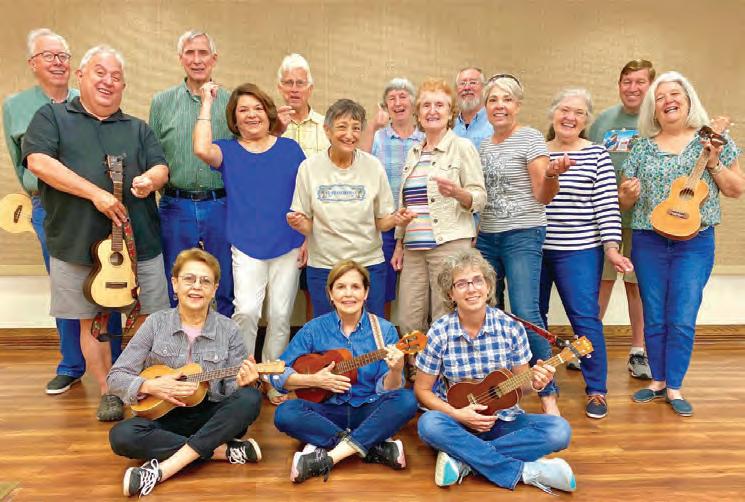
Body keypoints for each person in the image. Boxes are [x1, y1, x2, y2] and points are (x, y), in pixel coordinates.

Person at [23, 45, 171, 421]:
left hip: (140, 244)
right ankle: (110, 391)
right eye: (100, 73)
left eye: (116, 77)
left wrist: (149, 180)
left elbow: (161, 168)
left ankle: (147, 386)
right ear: (81, 76)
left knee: (148, 318)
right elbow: (38, 161)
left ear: (123, 86)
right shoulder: (52, 117)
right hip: (76, 244)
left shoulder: (137, 128)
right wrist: (95, 194)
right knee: (92, 321)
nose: (108, 82)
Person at [2, 28, 122, 395]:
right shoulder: (15, 106)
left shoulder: (87, 99)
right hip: (48, 207)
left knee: (111, 282)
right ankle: (71, 365)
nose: (58, 63)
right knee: (67, 287)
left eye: (63, 56)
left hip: (95, 205)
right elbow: (22, 161)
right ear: (32, 63)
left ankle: (118, 365)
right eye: (49, 56)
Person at [621, 71, 744, 417]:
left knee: (683, 314)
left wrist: (714, 161)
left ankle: (674, 385)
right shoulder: (641, 146)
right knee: (654, 313)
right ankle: (657, 380)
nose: (668, 101)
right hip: (648, 239)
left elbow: (736, 189)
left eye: (675, 94)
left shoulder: (714, 141)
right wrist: (627, 194)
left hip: (695, 242)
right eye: (659, 97)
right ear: (653, 109)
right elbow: (624, 201)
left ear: (689, 100)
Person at [415, 249, 575, 494]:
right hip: (457, 423)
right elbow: (422, 390)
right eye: (461, 284)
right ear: (451, 294)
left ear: (489, 287)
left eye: (477, 280)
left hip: (504, 421)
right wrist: (459, 415)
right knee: (428, 424)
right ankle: (526, 471)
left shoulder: (511, 327)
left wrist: (537, 383)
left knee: (559, 430)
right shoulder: (439, 332)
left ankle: (463, 460)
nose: (471, 289)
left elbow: (523, 387)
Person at [107, 248, 263, 497]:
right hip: (163, 418)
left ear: (214, 289)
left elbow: (233, 391)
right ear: (175, 284)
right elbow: (116, 377)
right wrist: (151, 386)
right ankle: (222, 451)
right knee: (121, 436)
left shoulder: (229, 330)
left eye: (205, 281)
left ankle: (163, 470)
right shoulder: (155, 323)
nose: (196, 287)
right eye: (189, 279)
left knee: (250, 398)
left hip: (210, 417)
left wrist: (245, 382)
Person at [193, 82, 305, 404]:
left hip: (288, 243)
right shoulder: (228, 151)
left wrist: (308, 236)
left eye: (258, 108)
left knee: (281, 315)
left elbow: (305, 195)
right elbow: (201, 148)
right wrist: (206, 102)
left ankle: (272, 377)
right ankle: (243, 375)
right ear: (234, 118)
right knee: (246, 310)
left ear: (269, 113)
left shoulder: (290, 149)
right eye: (243, 110)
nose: (252, 115)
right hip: (245, 243)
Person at [269, 260, 418, 483]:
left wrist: (396, 371)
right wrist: (314, 380)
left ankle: (332, 451)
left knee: (406, 399)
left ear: (366, 293)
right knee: (285, 413)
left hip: (369, 410)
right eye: (340, 287)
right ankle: (370, 445)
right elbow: (276, 373)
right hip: (326, 412)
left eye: (355, 287)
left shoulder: (384, 330)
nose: (348, 294)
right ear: (330, 293)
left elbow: (388, 391)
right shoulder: (313, 329)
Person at [475, 74, 571, 415]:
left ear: (517, 105)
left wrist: (552, 175)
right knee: (488, 311)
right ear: (485, 107)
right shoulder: (482, 146)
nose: (499, 106)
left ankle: (548, 395)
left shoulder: (530, 138)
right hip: (487, 236)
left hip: (522, 234)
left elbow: (543, 196)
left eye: (507, 99)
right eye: (493, 100)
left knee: (525, 313)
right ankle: (499, 390)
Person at [540, 88, 633, 419]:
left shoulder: (596, 155)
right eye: (564, 110)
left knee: (585, 318)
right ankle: (544, 386)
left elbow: (607, 206)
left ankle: (596, 389)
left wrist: (612, 248)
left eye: (579, 113)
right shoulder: (537, 152)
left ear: (586, 121)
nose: (570, 117)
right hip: (534, 249)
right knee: (535, 320)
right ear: (553, 113)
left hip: (579, 251)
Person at [287, 99, 414, 318]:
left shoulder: (373, 166)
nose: (349, 134)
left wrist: (396, 219)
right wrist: (299, 224)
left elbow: (382, 222)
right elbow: (309, 226)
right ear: (327, 130)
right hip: (324, 266)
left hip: (368, 265)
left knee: (370, 328)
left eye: (356, 128)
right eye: (342, 127)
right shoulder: (308, 168)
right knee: (327, 331)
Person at [393, 78, 486, 377]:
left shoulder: (462, 147)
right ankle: (415, 372)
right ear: (418, 113)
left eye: (439, 105)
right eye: (426, 105)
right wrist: (399, 242)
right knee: (408, 317)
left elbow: (480, 197)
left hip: (449, 244)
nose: (432, 111)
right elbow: (406, 201)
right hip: (413, 247)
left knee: (444, 315)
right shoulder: (413, 151)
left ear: (450, 112)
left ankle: (442, 376)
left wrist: (458, 193)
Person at [149, 30, 234, 317]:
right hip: (176, 205)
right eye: (190, 53)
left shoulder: (231, 102)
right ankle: (180, 343)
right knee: (178, 282)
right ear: (180, 58)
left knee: (223, 284)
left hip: (221, 204)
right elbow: (153, 155)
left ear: (214, 58)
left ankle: (222, 343)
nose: (197, 60)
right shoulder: (161, 102)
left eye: (203, 53)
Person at [589, 59, 656, 379]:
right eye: (627, 81)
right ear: (619, 85)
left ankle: (638, 351)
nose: (632, 88)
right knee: (600, 283)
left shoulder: (658, 121)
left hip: (645, 220)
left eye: (640, 82)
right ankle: (587, 347)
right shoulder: (603, 121)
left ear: (651, 86)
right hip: (606, 216)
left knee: (636, 287)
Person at [360, 77, 425, 318]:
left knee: (420, 289)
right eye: (391, 99)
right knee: (381, 289)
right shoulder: (378, 137)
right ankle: (382, 334)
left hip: (419, 222)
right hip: (386, 223)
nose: (398, 103)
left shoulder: (425, 137)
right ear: (385, 106)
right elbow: (359, 163)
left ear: (413, 103)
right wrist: (372, 127)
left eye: (403, 96)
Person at [277, 53, 329, 320]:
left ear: (311, 88)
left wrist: (310, 233)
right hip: (277, 222)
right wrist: (275, 130)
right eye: (288, 83)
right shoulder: (267, 127)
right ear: (280, 88)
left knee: (315, 293)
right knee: (278, 299)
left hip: (316, 222)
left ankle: (315, 345)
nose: (294, 89)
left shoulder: (326, 127)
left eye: (300, 83)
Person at [452, 67, 493, 149]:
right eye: (462, 83)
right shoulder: (448, 126)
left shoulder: (495, 124)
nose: (467, 88)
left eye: (473, 82)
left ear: (484, 89)